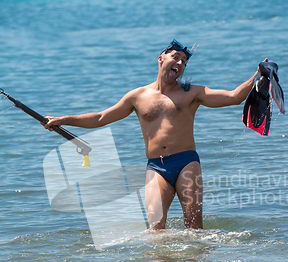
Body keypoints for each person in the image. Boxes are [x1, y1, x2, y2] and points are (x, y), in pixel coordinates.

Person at [44, 40, 266, 230]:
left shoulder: (193, 93)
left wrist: (258, 75)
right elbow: (101, 117)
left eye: (184, 62)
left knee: (194, 228)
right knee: (155, 229)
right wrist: (64, 120)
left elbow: (234, 97)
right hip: (156, 167)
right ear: (161, 58)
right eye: (176, 57)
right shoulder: (137, 96)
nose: (179, 63)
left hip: (187, 162)